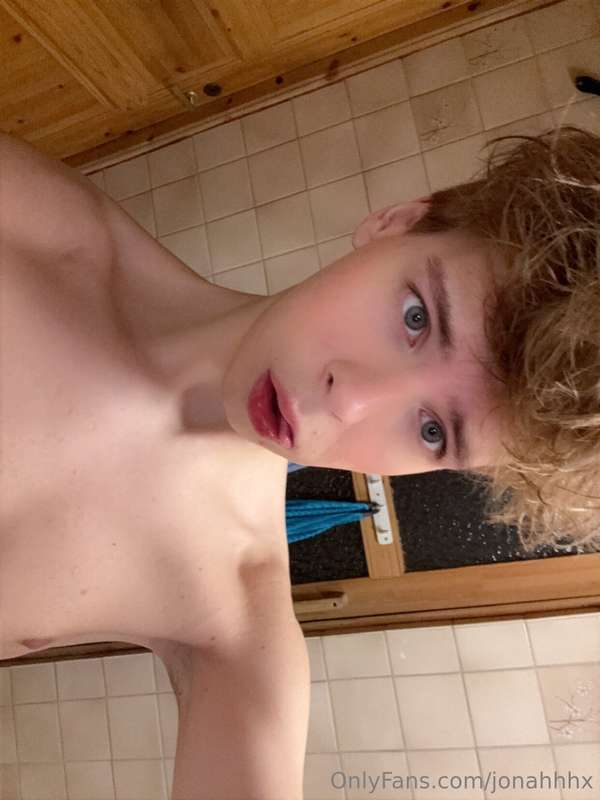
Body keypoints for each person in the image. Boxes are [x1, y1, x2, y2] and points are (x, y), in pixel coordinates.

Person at [1, 124, 598, 798]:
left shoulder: (234, 615)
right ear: (400, 222)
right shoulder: (38, 228)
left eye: (433, 430)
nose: (352, 401)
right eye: (416, 318)